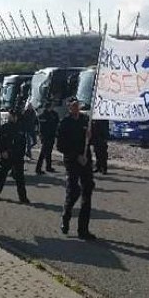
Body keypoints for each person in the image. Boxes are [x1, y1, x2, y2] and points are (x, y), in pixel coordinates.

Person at [56, 97, 96, 240]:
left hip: (85, 160)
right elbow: (60, 146)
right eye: (72, 105)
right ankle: (66, 215)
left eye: (77, 105)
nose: (75, 107)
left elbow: (93, 140)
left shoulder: (86, 120)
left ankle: (83, 229)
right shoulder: (64, 123)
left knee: (88, 190)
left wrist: (91, 137)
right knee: (73, 191)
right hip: (72, 160)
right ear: (68, 107)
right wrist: (75, 155)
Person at [0, 109, 30, 203]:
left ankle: (23, 197)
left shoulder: (20, 128)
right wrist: (3, 151)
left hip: (18, 156)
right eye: (10, 115)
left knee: (20, 178)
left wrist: (22, 154)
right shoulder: (4, 127)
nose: (11, 117)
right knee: (2, 175)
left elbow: (23, 143)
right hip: (7, 155)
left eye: (13, 115)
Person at [35, 102, 59, 174]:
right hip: (45, 136)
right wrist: (41, 136)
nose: (52, 107)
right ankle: (38, 168)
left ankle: (48, 167)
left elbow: (57, 123)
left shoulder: (54, 114)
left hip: (51, 135)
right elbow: (41, 127)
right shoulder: (42, 116)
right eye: (51, 106)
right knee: (43, 153)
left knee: (49, 152)